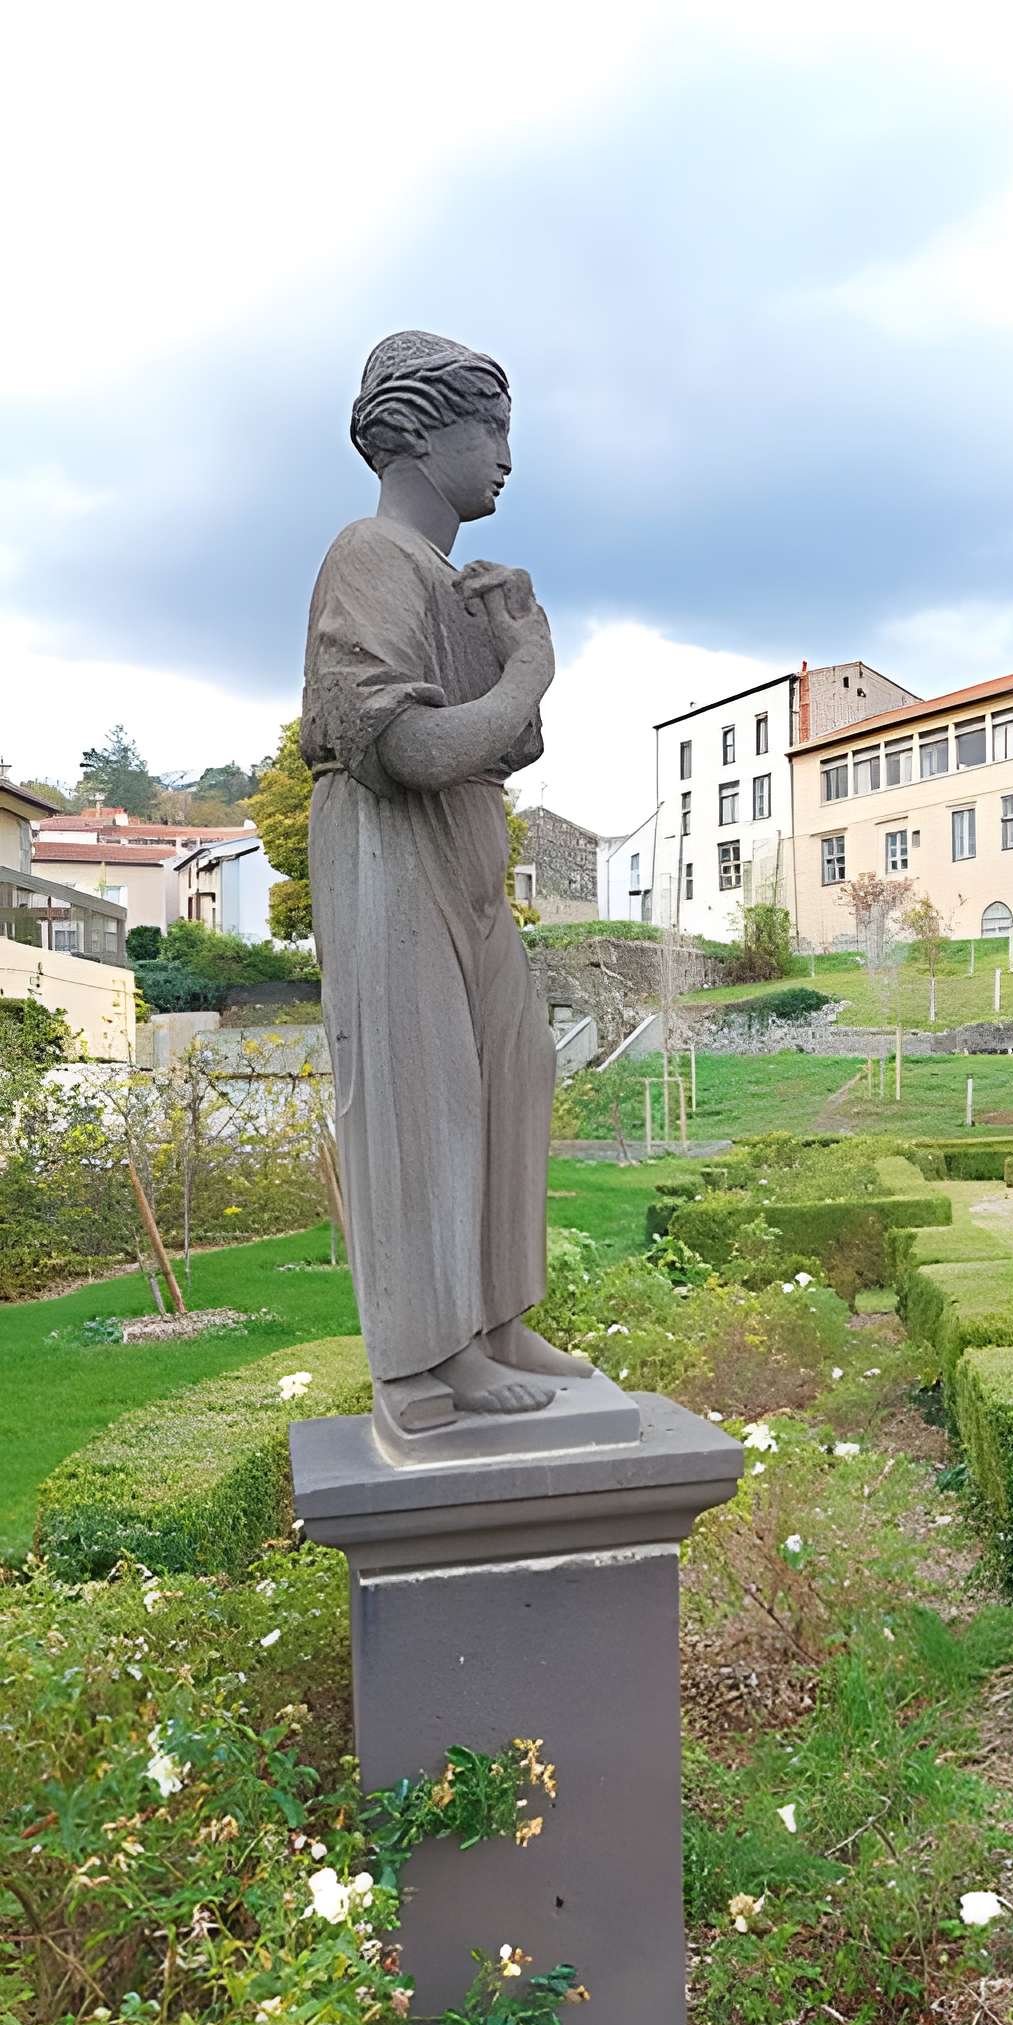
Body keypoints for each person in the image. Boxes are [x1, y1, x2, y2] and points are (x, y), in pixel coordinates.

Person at [302, 330, 593, 1443]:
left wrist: (506, 646)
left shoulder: (451, 578)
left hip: (467, 843)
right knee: (420, 1088)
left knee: (509, 1074)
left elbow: (504, 745)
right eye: (494, 428)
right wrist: (528, 665)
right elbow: (410, 750)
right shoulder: (368, 554)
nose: (508, 455)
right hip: (389, 839)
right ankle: (428, 1357)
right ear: (420, 430)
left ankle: (498, 1317)